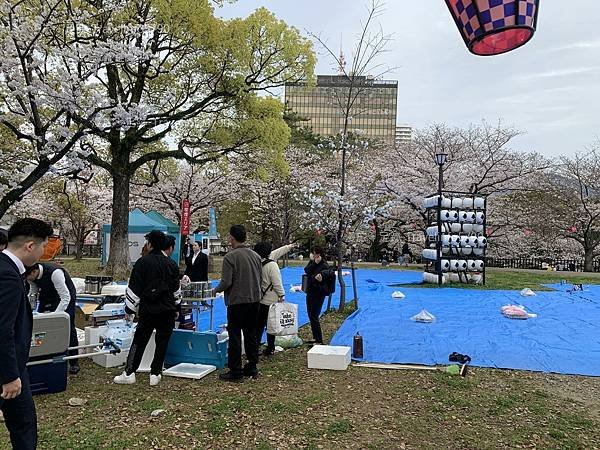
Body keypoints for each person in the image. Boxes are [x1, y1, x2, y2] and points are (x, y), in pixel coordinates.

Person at [0, 218, 53, 450]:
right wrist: (10, 375)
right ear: (30, 246)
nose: (43, 252)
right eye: (43, 246)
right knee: (23, 425)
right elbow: (2, 329)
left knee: (24, 421)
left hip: (14, 364)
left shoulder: (8, 269)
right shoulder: (8, 276)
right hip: (6, 368)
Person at [114, 230, 180, 387]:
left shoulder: (142, 263)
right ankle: (155, 373)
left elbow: (134, 289)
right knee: (162, 341)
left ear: (150, 244)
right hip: (168, 310)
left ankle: (129, 372)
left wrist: (129, 309)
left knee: (139, 341)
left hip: (149, 310)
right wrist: (177, 308)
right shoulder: (171, 264)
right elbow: (176, 290)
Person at [213, 225, 262, 382]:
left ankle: (236, 371)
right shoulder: (255, 256)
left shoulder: (230, 257)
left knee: (234, 334)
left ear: (232, 238)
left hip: (237, 301)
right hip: (254, 300)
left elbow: (226, 281)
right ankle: (252, 366)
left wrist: (215, 290)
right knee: (251, 333)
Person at [25, 262, 81, 375]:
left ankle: (74, 361)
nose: (27, 279)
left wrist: (56, 316)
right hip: (47, 296)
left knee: (68, 328)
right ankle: (45, 355)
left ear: (34, 272)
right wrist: (30, 309)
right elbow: (33, 291)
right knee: (41, 327)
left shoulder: (55, 273)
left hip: (65, 297)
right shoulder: (31, 276)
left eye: (28, 277)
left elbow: (65, 297)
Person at [253, 242, 289, 357]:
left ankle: (256, 346)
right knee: (271, 326)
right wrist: (282, 295)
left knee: (259, 325)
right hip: (271, 300)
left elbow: (276, 253)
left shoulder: (256, 263)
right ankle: (270, 348)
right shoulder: (272, 265)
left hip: (260, 298)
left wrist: (289, 247)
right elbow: (276, 282)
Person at [304, 246, 335, 345]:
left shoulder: (324, 266)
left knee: (314, 315)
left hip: (318, 293)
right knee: (310, 315)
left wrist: (314, 278)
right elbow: (307, 270)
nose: (312, 255)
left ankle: (319, 340)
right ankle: (315, 337)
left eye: (314, 253)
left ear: (319, 254)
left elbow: (318, 279)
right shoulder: (313, 263)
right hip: (310, 292)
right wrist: (314, 263)